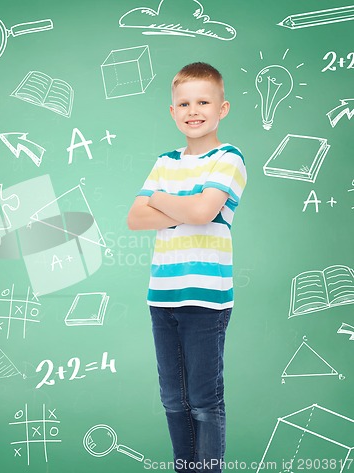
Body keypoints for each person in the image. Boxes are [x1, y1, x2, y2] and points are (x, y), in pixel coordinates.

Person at [127, 62, 247, 472]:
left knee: (204, 400)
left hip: (206, 299)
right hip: (162, 296)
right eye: (184, 103)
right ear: (173, 111)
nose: (193, 110)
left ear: (222, 108)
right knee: (173, 399)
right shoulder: (165, 161)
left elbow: (203, 211)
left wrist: (161, 199)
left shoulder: (229, 159)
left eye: (203, 101)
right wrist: (188, 207)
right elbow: (134, 218)